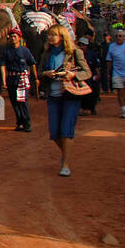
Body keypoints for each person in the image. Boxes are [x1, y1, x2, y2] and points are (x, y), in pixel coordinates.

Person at [40, 24, 92, 177]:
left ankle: (65, 163)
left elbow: (87, 72)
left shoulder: (74, 52)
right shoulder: (47, 53)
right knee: (54, 133)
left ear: (62, 36)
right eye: (49, 35)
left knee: (66, 130)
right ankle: (66, 154)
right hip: (53, 95)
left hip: (69, 95)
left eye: (53, 35)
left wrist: (72, 75)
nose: (50, 37)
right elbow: (40, 71)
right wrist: (46, 74)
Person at [0, 27, 38, 132]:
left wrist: (35, 78)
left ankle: (27, 123)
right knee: (14, 102)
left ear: (19, 38)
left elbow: (32, 64)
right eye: (11, 36)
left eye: (15, 36)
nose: (12, 38)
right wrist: (4, 81)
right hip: (11, 78)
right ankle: (19, 122)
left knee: (23, 101)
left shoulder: (25, 51)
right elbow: (2, 66)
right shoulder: (6, 52)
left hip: (22, 78)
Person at [104, 26, 125, 118]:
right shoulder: (112, 46)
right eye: (117, 36)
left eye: (120, 36)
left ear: (124, 37)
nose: (118, 38)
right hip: (117, 73)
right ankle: (124, 111)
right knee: (120, 92)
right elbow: (109, 60)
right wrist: (109, 73)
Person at [78, 36, 101, 115]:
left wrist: (98, 74)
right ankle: (83, 108)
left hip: (91, 76)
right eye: (80, 45)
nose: (82, 47)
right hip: (80, 76)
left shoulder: (91, 54)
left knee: (94, 92)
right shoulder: (76, 54)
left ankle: (92, 108)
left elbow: (96, 65)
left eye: (83, 45)